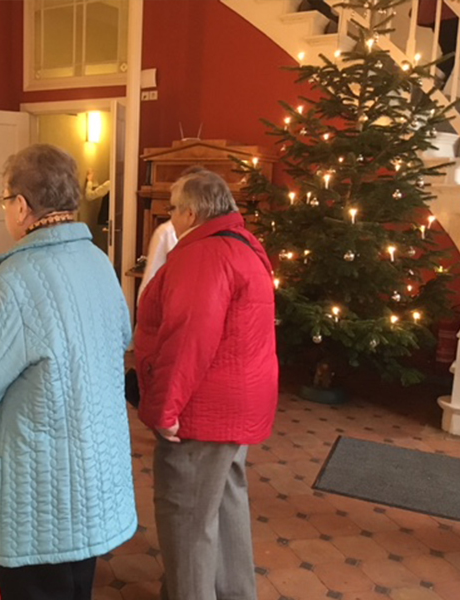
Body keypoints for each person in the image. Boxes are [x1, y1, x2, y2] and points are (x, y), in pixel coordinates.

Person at [0, 144, 136, 600]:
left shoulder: (16, 279)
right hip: (89, 474)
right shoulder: (98, 261)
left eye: (6, 200)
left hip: (40, 493)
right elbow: (120, 336)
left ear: (22, 206)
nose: (7, 210)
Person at [134, 169, 278, 600]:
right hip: (238, 405)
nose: (170, 218)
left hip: (203, 411)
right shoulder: (242, 243)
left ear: (192, 212)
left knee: (187, 520)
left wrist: (164, 410)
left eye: (173, 210)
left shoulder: (203, 255)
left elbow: (188, 340)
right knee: (226, 504)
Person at [418, 0, 460, 89]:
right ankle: (432, 79)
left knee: (452, 52)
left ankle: (433, 81)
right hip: (445, 10)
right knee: (457, 49)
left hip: (447, 11)